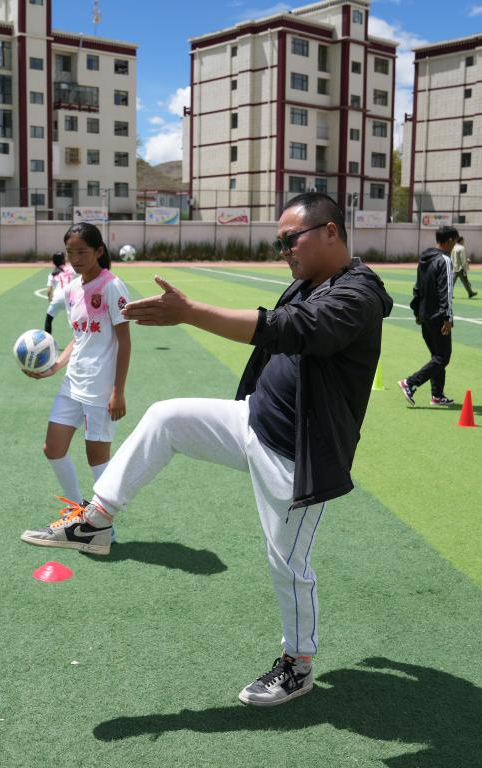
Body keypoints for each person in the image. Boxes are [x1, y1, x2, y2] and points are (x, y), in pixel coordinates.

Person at [21, 193, 394, 707]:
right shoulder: (310, 281)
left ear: (330, 232)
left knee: (287, 563)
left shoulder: (358, 295)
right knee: (167, 416)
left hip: (297, 453)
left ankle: (298, 664)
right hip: (254, 420)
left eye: (291, 240)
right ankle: (98, 520)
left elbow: (297, 330)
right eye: (278, 241)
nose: (283, 250)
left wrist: (190, 312)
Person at [23, 222, 132, 516]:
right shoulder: (71, 288)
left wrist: (117, 392)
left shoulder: (112, 286)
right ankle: (78, 511)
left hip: (101, 388)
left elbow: (124, 341)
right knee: (53, 448)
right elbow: (79, 336)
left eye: (82, 252)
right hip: (73, 383)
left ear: (98, 251)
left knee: (97, 459)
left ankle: (103, 528)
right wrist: (55, 366)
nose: (76, 258)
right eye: (71, 253)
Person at [398, 225, 458, 407]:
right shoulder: (445, 261)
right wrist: (448, 317)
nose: (455, 245)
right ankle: (410, 383)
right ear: (449, 241)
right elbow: (446, 290)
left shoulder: (424, 259)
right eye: (455, 241)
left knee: (437, 356)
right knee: (443, 358)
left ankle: (437, 395)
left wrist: (417, 311)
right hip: (439, 317)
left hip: (425, 315)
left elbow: (418, 287)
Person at [44, 251, 76, 335]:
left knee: (49, 319)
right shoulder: (71, 269)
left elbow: (48, 291)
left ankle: (47, 341)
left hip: (58, 298)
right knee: (74, 321)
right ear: (63, 260)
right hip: (71, 298)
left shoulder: (52, 274)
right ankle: (79, 340)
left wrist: (50, 299)